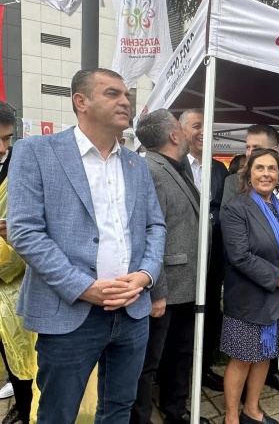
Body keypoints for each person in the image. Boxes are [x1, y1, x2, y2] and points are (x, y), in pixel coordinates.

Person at [7, 68, 166, 423]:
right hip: (69, 312)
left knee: (119, 408)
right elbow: (25, 231)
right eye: (112, 93)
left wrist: (145, 275)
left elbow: (155, 225)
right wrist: (83, 287)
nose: (125, 101)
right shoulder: (36, 152)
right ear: (81, 101)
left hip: (132, 309)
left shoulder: (135, 165)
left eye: (127, 95)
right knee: (58, 414)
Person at [130, 109, 209, 424]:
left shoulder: (174, 167)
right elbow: (147, 236)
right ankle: (140, 418)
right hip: (165, 289)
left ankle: (175, 410)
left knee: (179, 353)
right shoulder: (151, 170)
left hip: (185, 283)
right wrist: (156, 291)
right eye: (182, 127)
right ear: (175, 135)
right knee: (149, 362)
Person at [220, 149, 279, 424]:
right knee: (242, 358)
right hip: (249, 299)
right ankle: (231, 418)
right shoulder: (236, 208)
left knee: (264, 356)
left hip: (278, 299)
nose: (266, 174)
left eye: (272, 168)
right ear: (248, 174)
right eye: (259, 168)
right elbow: (240, 256)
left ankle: (252, 410)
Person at [179, 108, 229, 392]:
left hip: (213, 258)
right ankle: (177, 375)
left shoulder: (219, 169)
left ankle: (204, 368)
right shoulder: (174, 166)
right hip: (183, 259)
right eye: (197, 126)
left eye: (207, 127)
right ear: (182, 131)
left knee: (210, 313)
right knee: (182, 318)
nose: (202, 132)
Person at [0, 101, 35, 424]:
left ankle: (25, 411)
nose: (3, 148)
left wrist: (15, 236)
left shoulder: (22, 167)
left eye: (7, 138)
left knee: (22, 363)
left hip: (16, 290)